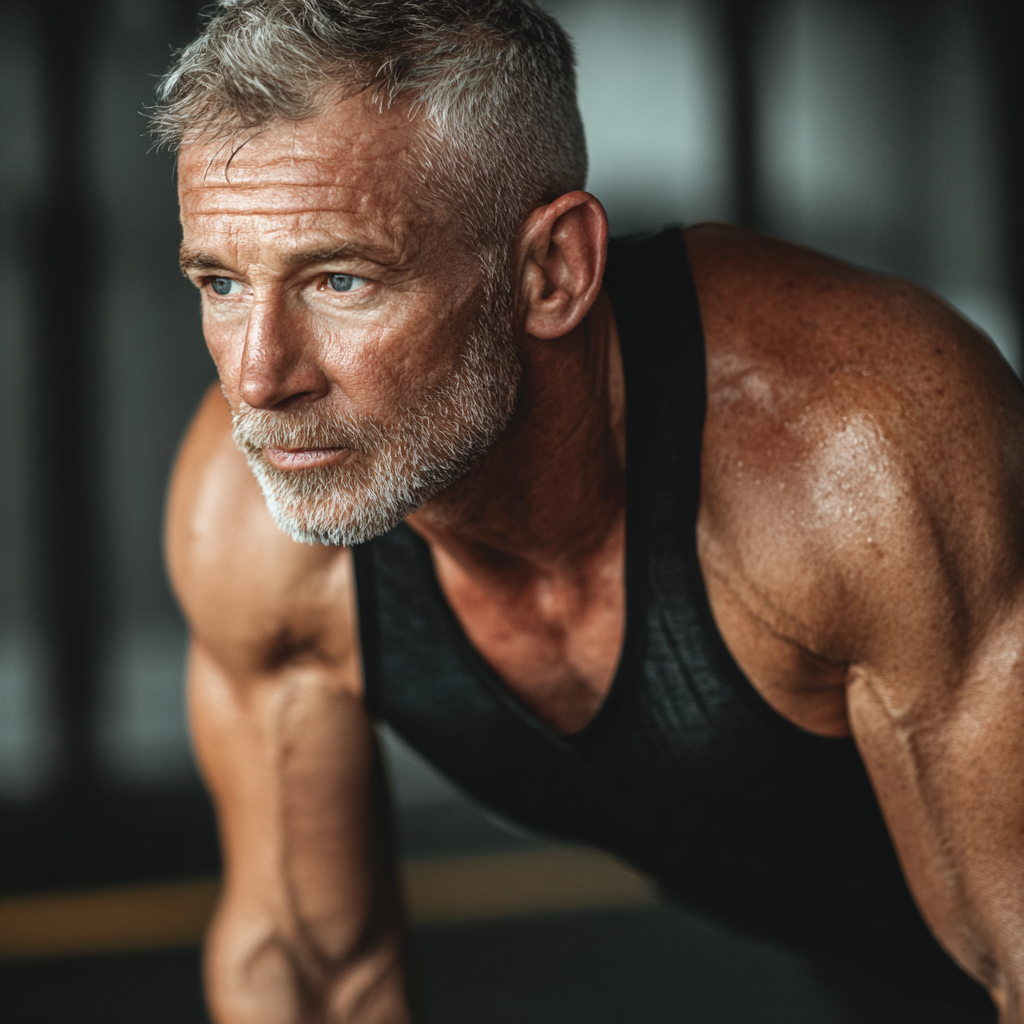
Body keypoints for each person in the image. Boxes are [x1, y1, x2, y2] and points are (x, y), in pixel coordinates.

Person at [157, 1, 1024, 1021]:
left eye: (341, 278)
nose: (258, 379)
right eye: (219, 281)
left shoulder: (853, 456)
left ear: (552, 270)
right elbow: (310, 966)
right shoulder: (246, 511)